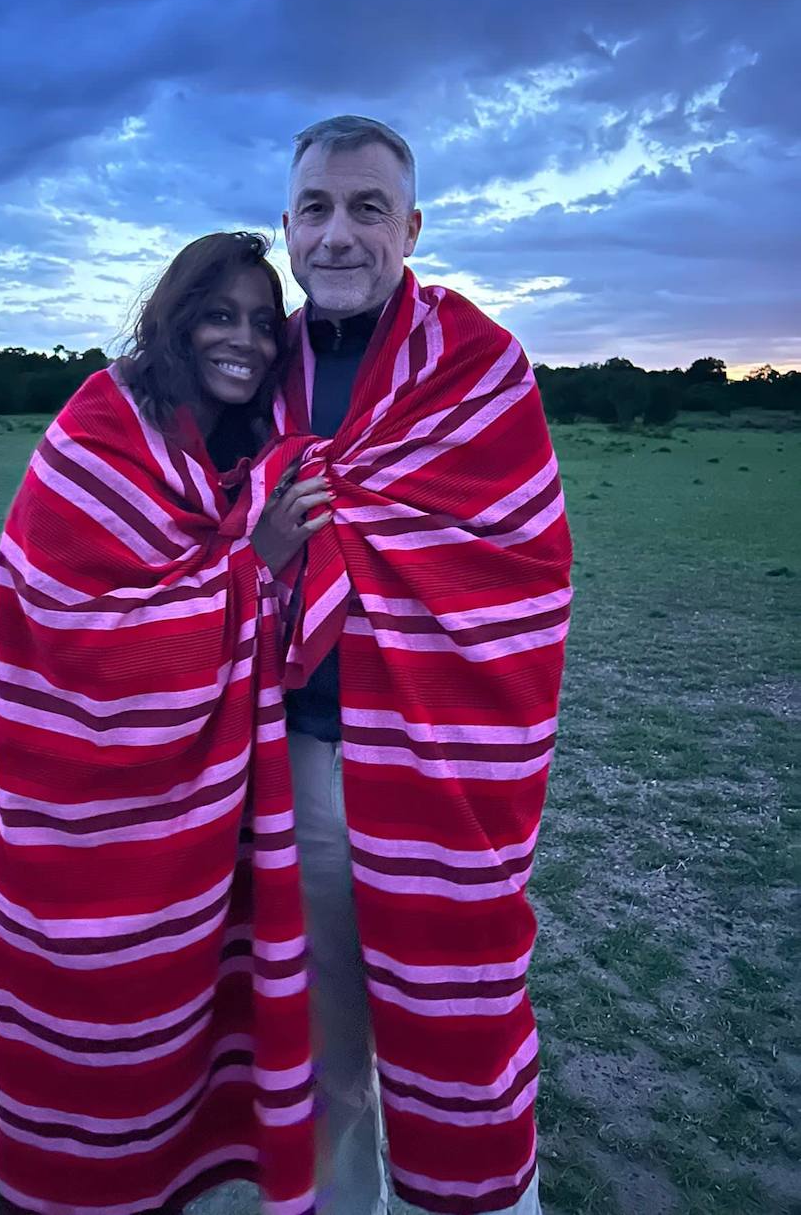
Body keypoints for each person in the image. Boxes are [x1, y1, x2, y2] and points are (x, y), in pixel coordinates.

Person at [256, 116, 574, 1215]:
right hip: (287, 769)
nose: (336, 235)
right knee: (316, 1060)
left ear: (412, 228)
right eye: (314, 209)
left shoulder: (479, 369)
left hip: (443, 773)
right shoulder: (250, 374)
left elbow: (522, 572)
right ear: (285, 227)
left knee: (464, 1042)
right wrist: (266, 555)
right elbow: (193, 558)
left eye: (365, 209)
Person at [0, 231, 331, 1213]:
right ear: (172, 322)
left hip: (207, 816)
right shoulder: (99, 429)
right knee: (94, 1030)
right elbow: (71, 625)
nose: (246, 341)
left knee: (194, 1019)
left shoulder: (250, 449)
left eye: (265, 323)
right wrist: (251, 560)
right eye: (218, 315)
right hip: (82, 812)